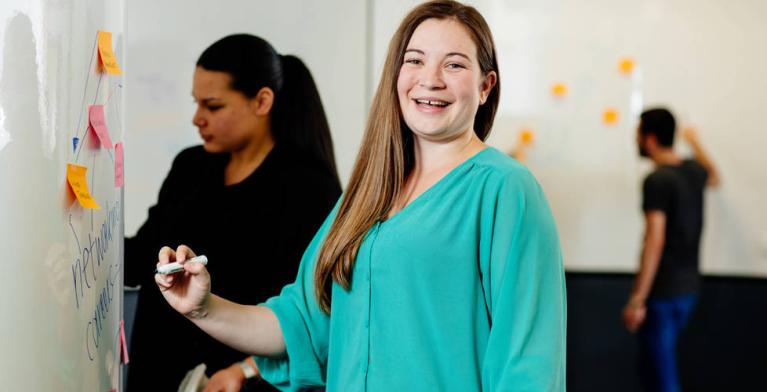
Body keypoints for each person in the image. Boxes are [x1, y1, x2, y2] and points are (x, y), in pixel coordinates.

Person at [155, 1, 567, 390]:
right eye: (415, 60)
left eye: (454, 64)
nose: (430, 79)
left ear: (485, 86)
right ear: (397, 75)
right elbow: (300, 323)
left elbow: (528, 364)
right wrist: (202, 306)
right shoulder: (368, 192)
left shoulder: (505, 189)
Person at [125, 34, 342, 391]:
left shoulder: (309, 191)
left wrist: (246, 370)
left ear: (261, 101)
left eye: (213, 106)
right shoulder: (190, 167)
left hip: (239, 382)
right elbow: (144, 254)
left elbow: (310, 312)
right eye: (196, 103)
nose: (197, 119)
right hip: (161, 372)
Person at [622, 108, 720, 392]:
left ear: (650, 139)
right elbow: (715, 176)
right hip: (688, 291)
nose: (636, 140)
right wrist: (693, 141)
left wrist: (636, 299)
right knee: (658, 372)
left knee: (662, 379)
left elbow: (655, 240)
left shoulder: (658, 180)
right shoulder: (691, 170)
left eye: (639, 133)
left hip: (662, 294)